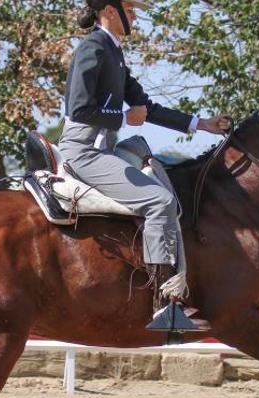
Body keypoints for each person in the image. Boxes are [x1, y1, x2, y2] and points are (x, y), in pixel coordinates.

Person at [59, 0, 230, 332]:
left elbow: (146, 108)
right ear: (109, 10)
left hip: (104, 147)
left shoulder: (114, 52)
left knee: (162, 177)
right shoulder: (93, 48)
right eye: (131, 9)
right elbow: (79, 109)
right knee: (159, 201)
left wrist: (202, 124)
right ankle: (163, 304)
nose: (136, 15)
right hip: (83, 150)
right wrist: (124, 117)